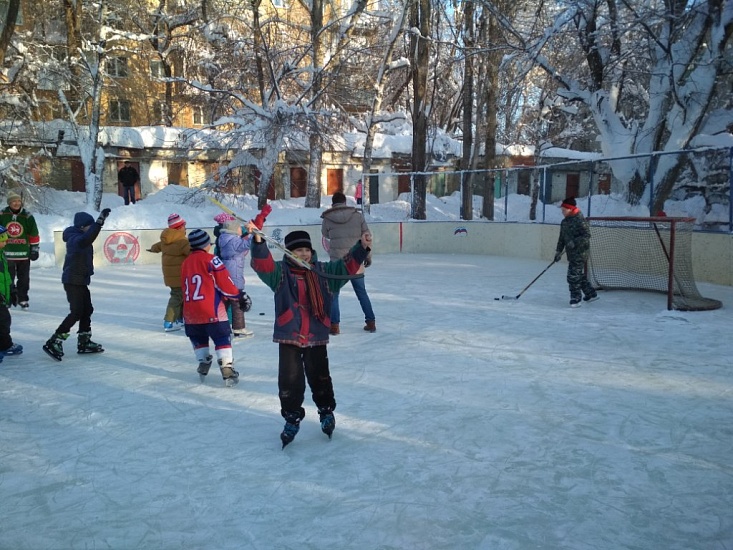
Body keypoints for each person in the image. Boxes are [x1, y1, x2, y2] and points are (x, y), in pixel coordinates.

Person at [248, 223, 371, 448]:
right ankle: (292, 416)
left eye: (306, 250)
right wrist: (258, 243)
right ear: (288, 253)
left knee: (320, 376)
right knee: (289, 380)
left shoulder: (322, 272)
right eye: (297, 251)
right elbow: (263, 265)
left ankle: (325, 411)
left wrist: (361, 247)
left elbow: (345, 267)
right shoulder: (280, 274)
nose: (303, 254)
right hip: (289, 336)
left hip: (316, 334)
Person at [43, 209, 111, 361]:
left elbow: (88, 237)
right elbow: (87, 239)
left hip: (80, 281)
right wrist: (99, 222)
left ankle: (84, 341)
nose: (91, 227)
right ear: (82, 226)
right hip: (72, 281)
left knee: (87, 309)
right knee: (76, 312)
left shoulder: (80, 236)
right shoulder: (75, 239)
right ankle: (54, 341)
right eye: (90, 225)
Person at [181, 228, 242, 387]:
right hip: (212, 309)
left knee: (198, 337)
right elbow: (224, 282)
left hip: (190, 312)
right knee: (222, 337)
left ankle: (203, 361)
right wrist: (237, 295)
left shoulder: (185, 262)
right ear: (205, 245)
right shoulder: (211, 259)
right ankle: (226, 367)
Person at [321, 191, 376, 334]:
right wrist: (367, 256)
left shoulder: (327, 218)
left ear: (333, 203)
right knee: (361, 293)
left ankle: (334, 326)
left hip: (337, 263)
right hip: (356, 261)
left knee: (334, 294)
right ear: (345, 202)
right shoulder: (357, 216)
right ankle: (371, 322)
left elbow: (325, 234)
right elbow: (367, 236)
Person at [147, 213, 190, 332]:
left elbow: (157, 246)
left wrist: (152, 249)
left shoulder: (166, 240)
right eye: (184, 226)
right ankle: (169, 321)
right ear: (180, 227)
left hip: (170, 276)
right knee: (177, 298)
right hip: (180, 275)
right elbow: (192, 253)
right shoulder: (182, 241)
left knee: (180, 296)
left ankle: (179, 319)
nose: (185, 228)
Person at [554, 197, 598, 308]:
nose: (562, 212)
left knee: (572, 276)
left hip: (580, 252)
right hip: (571, 253)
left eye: (564, 210)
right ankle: (591, 293)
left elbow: (586, 235)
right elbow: (562, 238)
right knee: (578, 274)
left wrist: (574, 242)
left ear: (570, 209)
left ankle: (576, 298)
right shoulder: (564, 222)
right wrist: (558, 251)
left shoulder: (580, 220)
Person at [0, 191, 40, 309]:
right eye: (13, 201)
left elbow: (34, 234)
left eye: (18, 201)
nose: (16, 203)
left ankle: (22, 298)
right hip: (7, 254)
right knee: (8, 278)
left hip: (23, 254)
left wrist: (34, 249)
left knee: (24, 279)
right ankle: (7, 298)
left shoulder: (27, 216)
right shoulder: (2, 215)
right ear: (9, 203)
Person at [217, 219, 254, 338]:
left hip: (226, 271)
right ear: (233, 230)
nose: (240, 230)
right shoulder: (234, 241)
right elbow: (248, 244)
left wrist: (248, 233)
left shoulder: (224, 239)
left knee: (226, 301)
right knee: (237, 301)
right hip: (234, 273)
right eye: (239, 228)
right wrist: (253, 232)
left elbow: (242, 242)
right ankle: (239, 328)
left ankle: (220, 326)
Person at [0, 224, 23, 360]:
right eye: (2, 239)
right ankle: (5, 345)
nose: (5, 242)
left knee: (4, 320)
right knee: (3, 321)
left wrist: (12, 290)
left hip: (3, 295)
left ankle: (4, 344)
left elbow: (6, 276)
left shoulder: (2, 255)